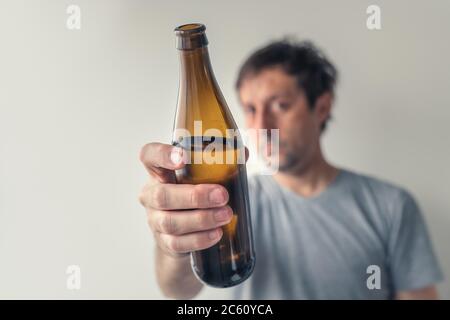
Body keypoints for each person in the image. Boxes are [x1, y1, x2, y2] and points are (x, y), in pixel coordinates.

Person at [139, 40, 443, 299]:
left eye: (281, 105)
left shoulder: (390, 206)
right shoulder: (224, 199)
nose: (261, 126)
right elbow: (177, 289)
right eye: (250, 109)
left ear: (321, 107)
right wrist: (174, 247)